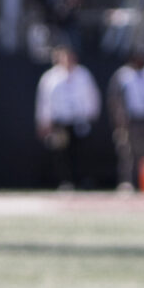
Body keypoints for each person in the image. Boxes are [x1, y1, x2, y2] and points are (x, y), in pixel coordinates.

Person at [35, 45, 101, 190]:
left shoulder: (83, 74)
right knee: (61, 153)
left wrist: (91, 115)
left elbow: (92, 95)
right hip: (60, 121)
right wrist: (44, 121)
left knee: (82, 152)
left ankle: (84, 180)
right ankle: (66, 181)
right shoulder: (50, 77)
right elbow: (44, 101)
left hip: (80, 120)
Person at [107, 46, 144, 191]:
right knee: (129, 152)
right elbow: (115, 99)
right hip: (133, 119)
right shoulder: (123, 75)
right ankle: (128, 182)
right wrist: (119, 119)